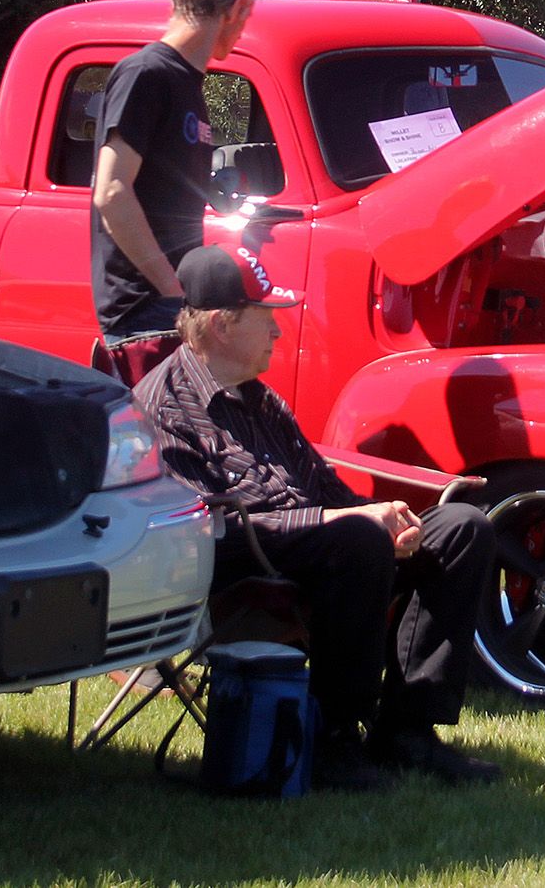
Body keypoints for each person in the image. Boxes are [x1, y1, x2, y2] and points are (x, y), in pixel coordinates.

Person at [133, 244, 501, 790]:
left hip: (323, 549)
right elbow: (205, 531)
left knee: (462, 530)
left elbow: (326, 487)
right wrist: (340, 523)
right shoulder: (164, 407)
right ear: (221, 325)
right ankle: (333, 739)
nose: (279, 333)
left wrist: (382, 515)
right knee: (355, 539)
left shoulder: (261, 400)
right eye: (267, 319)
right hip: (234, 569)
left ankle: (408, 731)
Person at [91, 0, 261, 341]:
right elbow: (112, 192)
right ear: (235, 9)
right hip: (143, 310)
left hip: (170, 306)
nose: (242, 31)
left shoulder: (187, 83)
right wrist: (172, 290)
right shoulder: (147, 73)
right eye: (247, 17)